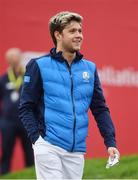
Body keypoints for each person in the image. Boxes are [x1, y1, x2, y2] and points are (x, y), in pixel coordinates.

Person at [19, 11, 120, 179]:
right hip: (48, 145)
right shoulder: (38, 65)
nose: (79, 35)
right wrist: (37, 140)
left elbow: (100, 109)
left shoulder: (90, 68)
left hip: (76, 151)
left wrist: (110, 142)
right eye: (72, 31)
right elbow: (25, 107)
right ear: (58, 34)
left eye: (80, 31)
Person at [0, 48, 34, 175]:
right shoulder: (3, 79)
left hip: (26, 121)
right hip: (8, 122)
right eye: (10, 57)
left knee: (29, 151)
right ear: (7, 60)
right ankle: (3, 175)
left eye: (16, 57)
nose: (13, 60)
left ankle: (31, 175)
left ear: (20, 58)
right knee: (6, 151)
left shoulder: (28, 77)